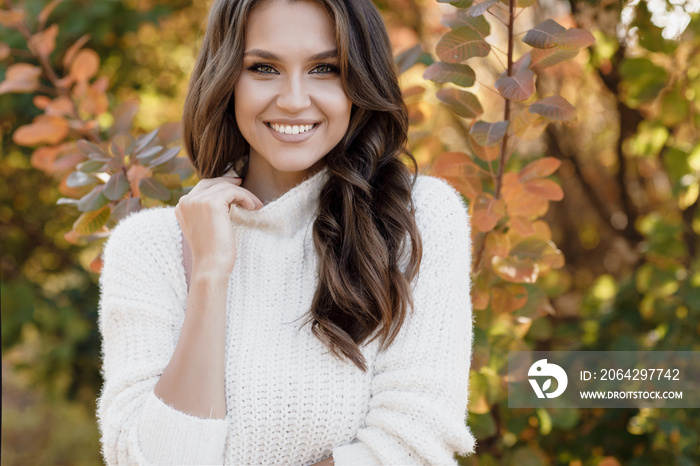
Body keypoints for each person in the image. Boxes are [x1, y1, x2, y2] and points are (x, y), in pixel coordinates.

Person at [95, 0, 476, 464]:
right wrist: (210, 274)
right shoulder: (148, 247)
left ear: (360, 82)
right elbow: (150, 459)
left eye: (324, 68)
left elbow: (413, 443)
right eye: (263, 68)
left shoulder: (416, 218)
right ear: (225, 80)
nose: (294, 99)